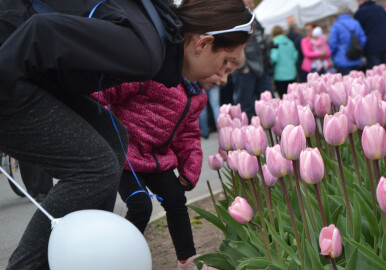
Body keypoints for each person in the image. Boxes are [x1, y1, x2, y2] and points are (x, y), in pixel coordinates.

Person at [0, 0, 253, 268]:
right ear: (203, 43)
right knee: (96, 166)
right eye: (225, 61)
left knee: (114, 136)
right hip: (10, 58)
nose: (223, 75)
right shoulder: (145, 51)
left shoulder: (157, 37)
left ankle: (88, 256)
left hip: (28, 62)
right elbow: (41, 31)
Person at [92, 51, 245, 270]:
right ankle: (116, 259)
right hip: (125, 153)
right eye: (223, 69)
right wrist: (87, 100)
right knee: (140, 205)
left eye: (230, 74)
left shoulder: (197, 97)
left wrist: (190, 168)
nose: (224, 79)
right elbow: (110, 91)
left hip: (156, 158)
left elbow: (188, 135)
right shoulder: (155, 75)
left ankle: (187, 259)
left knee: (175, 200)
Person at [233, 0, 274, 119]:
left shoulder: (253, 18)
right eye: (249, 2)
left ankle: (267, 131)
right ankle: (249, 132)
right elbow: (234, 46)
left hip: (261, 66)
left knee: (268, 100)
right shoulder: (236, 19)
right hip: (247, 68)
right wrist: (243, 66)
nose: (252, 5)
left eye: (252, 3)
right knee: (245, 104)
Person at [328, 6, 367, 75]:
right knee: (359, 82)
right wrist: (358, 48)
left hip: (342, 59)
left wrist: (333, 55)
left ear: (338, 14)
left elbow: (332, 43)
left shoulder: (336, 25)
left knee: (347, 83)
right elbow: (363, 39)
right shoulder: (356, 22)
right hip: (357, 58)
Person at [354, 0, 386, 69]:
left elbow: (359, 32)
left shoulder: (360, 13)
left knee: (375, 75)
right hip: (385, 45)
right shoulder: (381, 9)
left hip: (371, 48)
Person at [270, 26, 298, 97]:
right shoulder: (290, 42)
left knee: (283, 99)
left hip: (280, 76)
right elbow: (295, 56)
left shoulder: (274, 43)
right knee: (293, 98)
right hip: (292, 73)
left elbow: (274, 58)